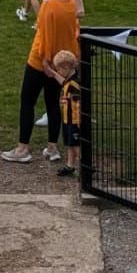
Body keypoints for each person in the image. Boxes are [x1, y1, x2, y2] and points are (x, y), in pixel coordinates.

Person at [2, 0, 79, 164]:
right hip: (61, 61)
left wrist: (45, 61)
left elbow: (45, 36)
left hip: (40, 61)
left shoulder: (49, 6)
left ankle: (22, 148)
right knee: (53, 103)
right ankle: (53, 147)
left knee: (27, 101)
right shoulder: (70, 3)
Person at [48, 49, 82, 177]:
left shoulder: (74, 84)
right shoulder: (68, 79)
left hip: (74, 120)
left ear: (67, 67)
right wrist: (52, 73)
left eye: (59, 69)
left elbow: (78, 104)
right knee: (69, 143)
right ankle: (70, 165)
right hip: (67, 120)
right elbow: (62, 81)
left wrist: (79, 120)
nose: (58, 72)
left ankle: (83, 167)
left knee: (76, 145)